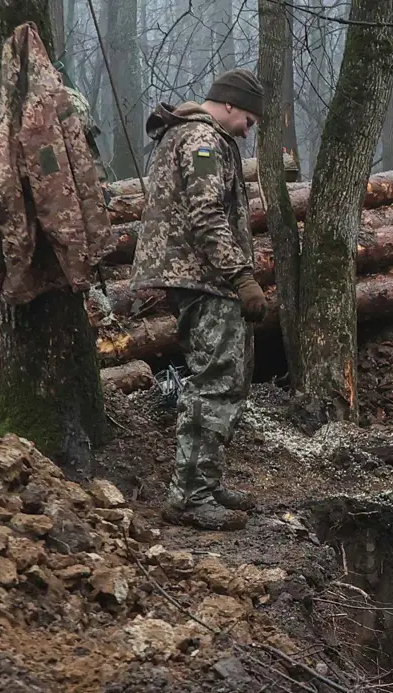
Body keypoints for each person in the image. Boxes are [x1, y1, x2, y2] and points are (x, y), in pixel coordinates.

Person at [130, 68, 270, 532]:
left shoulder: (191, 136)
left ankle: (205, 480)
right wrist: (242, 277)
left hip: (202, 277)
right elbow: (207, 214)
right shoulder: (202, 141)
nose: (249, 131)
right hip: (204, 278)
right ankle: (191, 495)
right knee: (213, 381)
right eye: (248, 120)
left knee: (226, 378)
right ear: (229, 104)